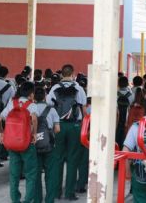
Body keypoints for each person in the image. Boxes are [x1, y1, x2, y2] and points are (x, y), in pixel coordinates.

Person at [46, 64, 87, 201]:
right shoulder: (79, 88)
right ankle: (69, 193)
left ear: (62, 74)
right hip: (75, 126)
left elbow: (49, 108)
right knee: (73, 159)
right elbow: (84, 109)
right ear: (73, 74)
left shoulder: (54, 88)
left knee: (57, 159)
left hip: (58, 126)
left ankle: (56, 192)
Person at [0, 81, 38, 203]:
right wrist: (34, 133)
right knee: (30, 174)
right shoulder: (31, 105)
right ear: (31, 94)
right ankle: (28, 200)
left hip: (12, 143)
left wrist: (1, 132)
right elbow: (34, 119)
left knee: (14, 175)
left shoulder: (11, 103)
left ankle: (15, 200)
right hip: (26, 143)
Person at [34, 87, 60, 203]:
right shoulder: (52, 110)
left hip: (33, 146)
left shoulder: (30, 108)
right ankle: (49, 200)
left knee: (36, 174)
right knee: (50, 174)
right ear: (45, 96)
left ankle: (37, 200)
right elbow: (57, 129)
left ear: (33, 96)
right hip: (49, 145)